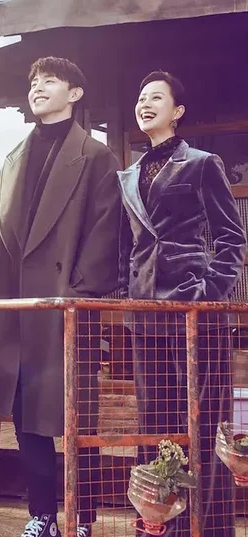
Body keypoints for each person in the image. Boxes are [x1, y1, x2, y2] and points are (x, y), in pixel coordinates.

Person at [0, 57, 123, 537]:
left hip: (66, 307)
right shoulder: (13, 158)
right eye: (34, 81)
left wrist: (78, 291)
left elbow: (106, 231)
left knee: (77, 415)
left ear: (75, 94)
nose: (38, 87)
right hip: (19, 307)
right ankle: (42, 515)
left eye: (50, 81)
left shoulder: (97, 156)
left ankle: (82, 518)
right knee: (27, 416)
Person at [117, 71, 247, 536]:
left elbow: (232, 239)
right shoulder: (128, 175)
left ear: (178, 111)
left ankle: (210, 529)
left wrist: (206, 295)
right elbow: (127, 247)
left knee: (204, 423)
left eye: (156, 97)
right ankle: (160, 526)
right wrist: (126, 295)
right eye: (141, 97)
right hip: (145, 316)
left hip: (196, 314)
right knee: (155, 423)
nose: (145, 103)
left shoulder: (202, 163)